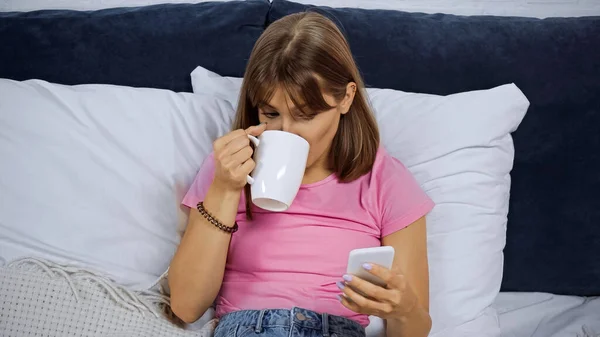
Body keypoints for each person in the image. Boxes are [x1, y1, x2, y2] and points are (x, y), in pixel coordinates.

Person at [168, 11, 435, 337]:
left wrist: (404, 310)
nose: (287, 132)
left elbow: (415, 328)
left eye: (305, 115)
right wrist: (225, 189)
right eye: (271, 113)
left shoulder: (384, 179)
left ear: (346, 98)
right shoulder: (228, 167)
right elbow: (185, 306)